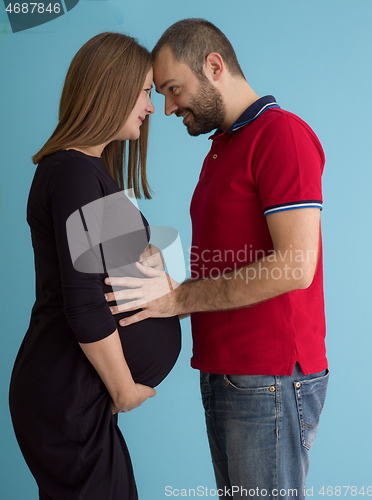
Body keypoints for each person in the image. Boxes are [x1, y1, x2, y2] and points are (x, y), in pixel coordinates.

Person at [104, 19, 329, 500]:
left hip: (267, 378)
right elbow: (233, 253)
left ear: (214, 66)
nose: (166, 108)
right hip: (227, 372)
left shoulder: (280, 136)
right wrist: (162, 272)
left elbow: (296, 265)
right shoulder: (222, 147)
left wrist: (178, 298)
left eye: (173, 89)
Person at [9, 32, 181, 500]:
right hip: (68, 395)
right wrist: (124, 390)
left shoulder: (86, 172)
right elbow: (84, 301)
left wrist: (163, 275)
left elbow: (122, 279)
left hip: (76, 398)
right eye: (146, 91)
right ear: (113, 87)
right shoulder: (72, 173)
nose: (151, 107)